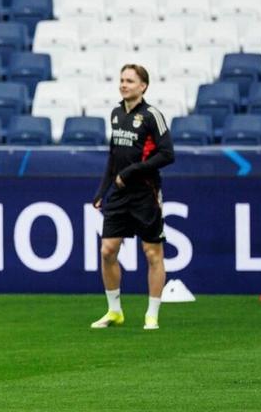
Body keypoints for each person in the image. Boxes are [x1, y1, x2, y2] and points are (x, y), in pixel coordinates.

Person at [91, 64, 175, 331]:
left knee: (151, 253)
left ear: (143, 86)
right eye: (122, 80)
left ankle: (152, 314)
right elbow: (112, 157)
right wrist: (102, 191)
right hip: (119, 192)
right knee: (107, 251)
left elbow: (167, 154)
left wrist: (132, 172)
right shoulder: (116, 114)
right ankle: (114, 311)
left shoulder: (152, 116)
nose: (123, 84)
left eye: (129, 81)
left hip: (145, 193)